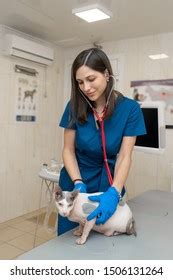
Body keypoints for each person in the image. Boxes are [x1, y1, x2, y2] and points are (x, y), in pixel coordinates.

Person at [57, 48, 146, 235]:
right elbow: (68, 150)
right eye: (80, 82)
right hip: (74, 187)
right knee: (68, 243)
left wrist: (114, 192)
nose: (85, 88)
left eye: (91, 79)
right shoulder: (74, 107)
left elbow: (124, 156)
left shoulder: (130, 109)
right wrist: (78, 183)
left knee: (104, 246)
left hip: (108, 186)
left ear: (106, 74)